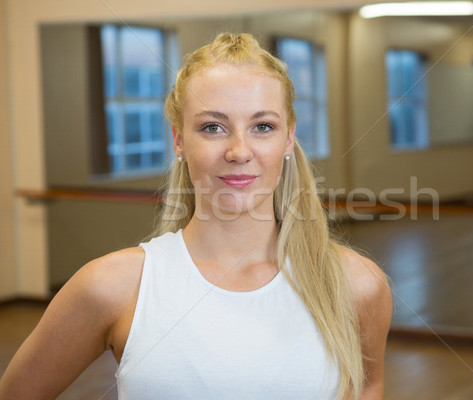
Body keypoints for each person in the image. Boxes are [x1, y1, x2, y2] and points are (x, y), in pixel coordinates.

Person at [0, 33, 392, 400]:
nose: (239, 151)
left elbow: (369, 386)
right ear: (178, 140)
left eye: (262, 126)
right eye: (213, 127)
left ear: (288, 138)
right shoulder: (113, 286)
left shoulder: (355, 285)